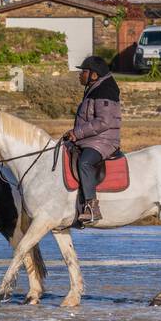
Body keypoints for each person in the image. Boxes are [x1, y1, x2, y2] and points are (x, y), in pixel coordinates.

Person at [63, 55, 121, 225]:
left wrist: (77, 133)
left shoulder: (104, 91)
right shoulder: (94, 87)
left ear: (94, 75)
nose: (80, 75)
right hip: (91, 138)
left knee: (85, 163)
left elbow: (104, 122)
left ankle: (92, 207)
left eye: (84, 72)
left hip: (104, 140)